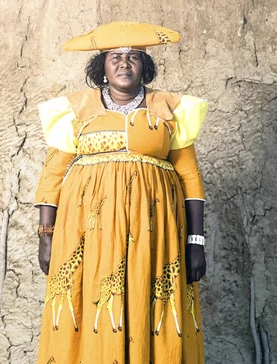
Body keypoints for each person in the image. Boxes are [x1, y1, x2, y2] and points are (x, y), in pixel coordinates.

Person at [35, 21, 208, 364]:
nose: (124, 63)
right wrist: (46, 235)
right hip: (88, 233)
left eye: (133, 57)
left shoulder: (168, 108)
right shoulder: (76, 109)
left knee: (150, 300)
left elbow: (189, 175)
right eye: (115, 56)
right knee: (95, 303)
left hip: (155, 235)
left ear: (145, 66)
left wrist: (196, 242)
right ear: (102, 66)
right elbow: (52, 173)